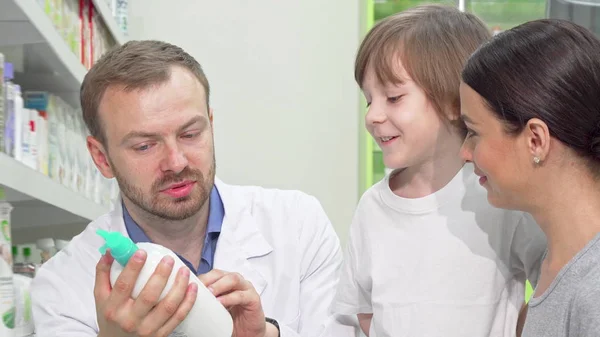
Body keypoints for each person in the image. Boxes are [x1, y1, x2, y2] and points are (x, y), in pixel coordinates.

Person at [30, 40, 349, 337]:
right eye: (145, 146)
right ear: (102, 158)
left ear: (210, 123)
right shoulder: (64, 285)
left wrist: (267, 335)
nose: (176, 162)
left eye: (190, 134)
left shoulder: (298, 225)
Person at [331, 5, 547, 337]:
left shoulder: (500, 198)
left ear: (454, 101)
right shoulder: (372, 208)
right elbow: (356, 314)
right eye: (368, 100)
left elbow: (556, 285)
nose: (373, 115)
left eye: (393, 97)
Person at [460, 19, 600, 337]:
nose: (465, 153)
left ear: (535, 139)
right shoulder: (558, 267)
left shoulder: (593, 291)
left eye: (473, 132)